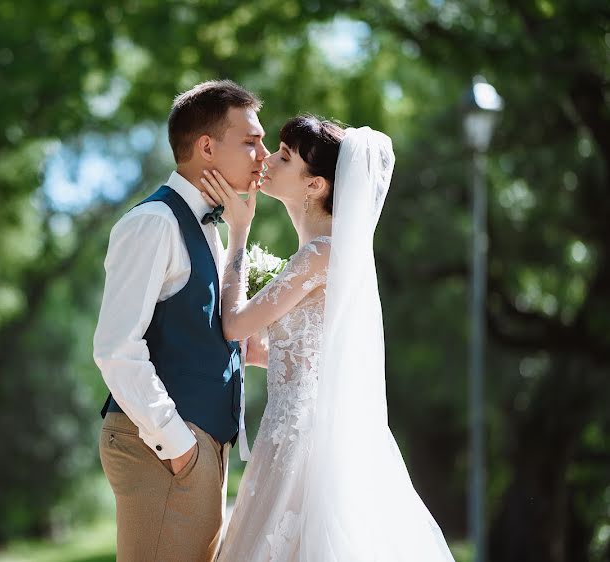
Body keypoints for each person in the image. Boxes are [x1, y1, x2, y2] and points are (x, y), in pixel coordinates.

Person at [202, 115, 455, 561]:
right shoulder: (319, 252)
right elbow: (291, 354)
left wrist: (239, 231)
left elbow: (234, 325)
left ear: (315, 186)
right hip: (288, 433)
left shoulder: (323, 252)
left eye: (283, 157)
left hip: (305, 446)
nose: (267, 160)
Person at [93, 79, 270, 562]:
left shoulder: (208, 226)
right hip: (164, 446)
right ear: (207, 146)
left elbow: (213, 335)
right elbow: (115, 347)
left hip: (197, 446)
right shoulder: (154, 223)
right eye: (251, 142)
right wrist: (179, 446)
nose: (265, 155)